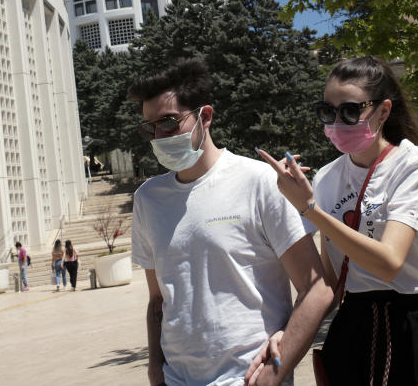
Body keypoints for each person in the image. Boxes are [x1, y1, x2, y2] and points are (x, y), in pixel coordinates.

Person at [257, 57, 418, 386]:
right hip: (355, 327)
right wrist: (288, 332)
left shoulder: (412, 163)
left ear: (383, 112)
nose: (337, 121)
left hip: (414, 323)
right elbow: (329, 280)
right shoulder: (327, 178)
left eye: (350, 111)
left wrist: (310, 209)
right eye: (328, 111)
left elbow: (389, 262)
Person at [128, 58, 332, 386]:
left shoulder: (259, 181)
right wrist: (155, 370)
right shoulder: (148, 199)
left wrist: (275, 372)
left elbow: (317, 289)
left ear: (204, 117)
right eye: (149, 127)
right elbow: (158, 300)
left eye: (168, 122)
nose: (158, 136)